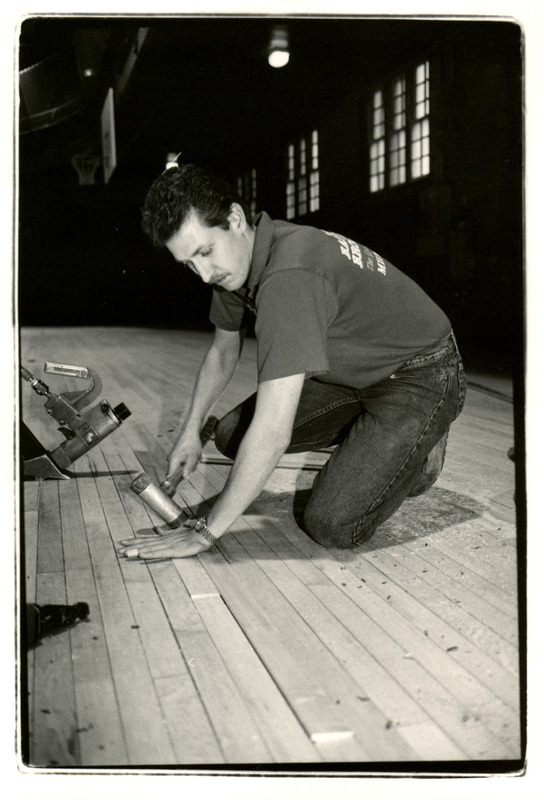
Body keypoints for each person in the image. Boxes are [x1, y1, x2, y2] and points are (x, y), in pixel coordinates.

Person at [118, 163, 466, 561]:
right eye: (188, 264)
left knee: (332, 524)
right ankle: (382, 441)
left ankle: (421, 452)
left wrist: (205, 531)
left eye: (204, 253)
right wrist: (189, 431)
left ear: (234, 218)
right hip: (351, 374)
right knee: (231, 434)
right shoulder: (236, 263)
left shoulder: (289, 276)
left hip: (420, 372)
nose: (203, 275)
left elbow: (272, 433)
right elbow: (222, 350)